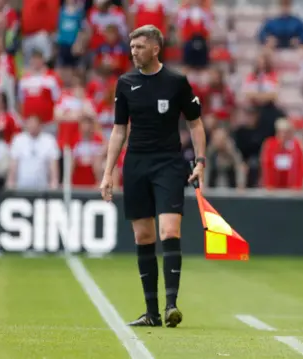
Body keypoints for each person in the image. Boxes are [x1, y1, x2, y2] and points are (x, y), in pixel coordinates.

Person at [99, 25, 206, 328]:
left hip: (169, 164)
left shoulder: (176, 82)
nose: (134, 52)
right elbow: (119, 130)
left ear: (156, 49)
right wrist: (108, 173)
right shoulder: (125, 83)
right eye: (132, 47)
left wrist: (200, 161)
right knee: (143, 236)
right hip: (135, 165)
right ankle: (152, 312)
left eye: (140, 47)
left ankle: (172, 305)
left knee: (169, 231)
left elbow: (196, 124)